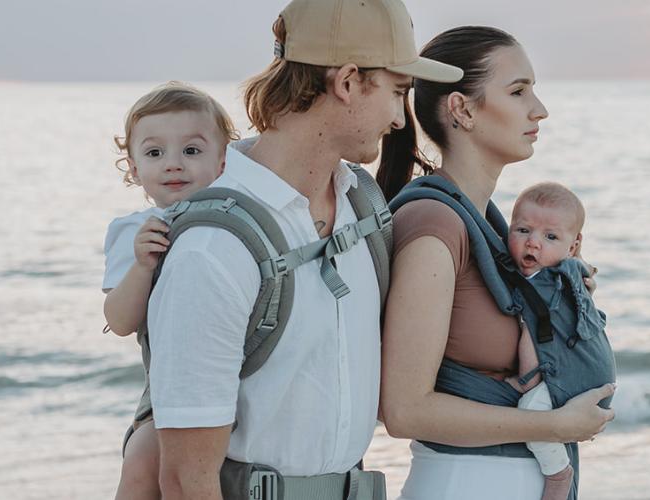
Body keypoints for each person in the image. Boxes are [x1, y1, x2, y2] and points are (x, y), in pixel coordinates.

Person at [144, 1, 461, 498]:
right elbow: (186, 479)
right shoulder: (213, 251)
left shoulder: (363, 206)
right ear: (349, 82)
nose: (400, 119)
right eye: (397, 91)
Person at [375, 26, 616, 499]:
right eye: (518, 90)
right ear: (462, 109)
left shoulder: (494, 230)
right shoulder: (434, 222)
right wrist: (554, 426)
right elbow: (403, 410)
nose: (539, 108)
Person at [100, 81, 237, 500]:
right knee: (143, 459)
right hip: (170, 387)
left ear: (222, 161)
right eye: (155, 153)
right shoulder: (133, 231)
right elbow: (119, 321)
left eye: (191, 151)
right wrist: (143, 266)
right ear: (134, 167)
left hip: (243, 378)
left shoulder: (237, 222)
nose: (173, 165)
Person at [505, 182, 596, 500]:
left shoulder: (546, 284)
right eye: (522, 230)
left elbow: (534, 335)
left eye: (550, 237)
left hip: (580, 378)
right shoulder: (563, 273)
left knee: (531, 411)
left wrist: (526, 380)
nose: (533, 243)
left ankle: (559, 473)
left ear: (573, 246)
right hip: (583, 370)